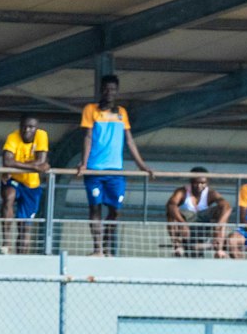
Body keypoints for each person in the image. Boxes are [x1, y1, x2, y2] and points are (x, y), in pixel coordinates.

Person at [76, 73, 154, 257]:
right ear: (100, 90)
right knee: (95, 207)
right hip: (94, 169)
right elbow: (87, 137)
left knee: (115, 210)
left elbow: (129, 141)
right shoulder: (90, 109)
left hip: (115, 170)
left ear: (117, 92)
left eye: (113, 89)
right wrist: (84, 163)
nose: (109, 92)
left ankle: (107, 247)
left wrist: (142, 165)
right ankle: (98, 250)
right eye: (106, 89)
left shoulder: (121, 112)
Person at [0, 114, 49, 255]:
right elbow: (7, 162)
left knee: (25, 227)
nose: (27, 130)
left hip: (32, 185)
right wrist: (34, 167)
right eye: (24, 127)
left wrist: (17, 165)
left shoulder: (42, 136)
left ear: (36, 128)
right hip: (14, 179)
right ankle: (6, 242)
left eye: (31, 127)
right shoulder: (12, 137)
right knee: (9, 197)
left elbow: (41, 160)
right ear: (20, 127)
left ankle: (21, 258)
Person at [165, 168, 234, 258]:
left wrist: (218, 226)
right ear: (191, 181)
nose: (199, 186)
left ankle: (219, 248)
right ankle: (177, 246)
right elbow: (171, 205)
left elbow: (227, 207)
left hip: (204, 221)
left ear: (207, 182)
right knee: (171, 211)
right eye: (196, 183)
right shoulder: (182, 191)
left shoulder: (211, 193)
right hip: (187, 221)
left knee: (223, 210)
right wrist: (182, 223)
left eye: (202, 183)